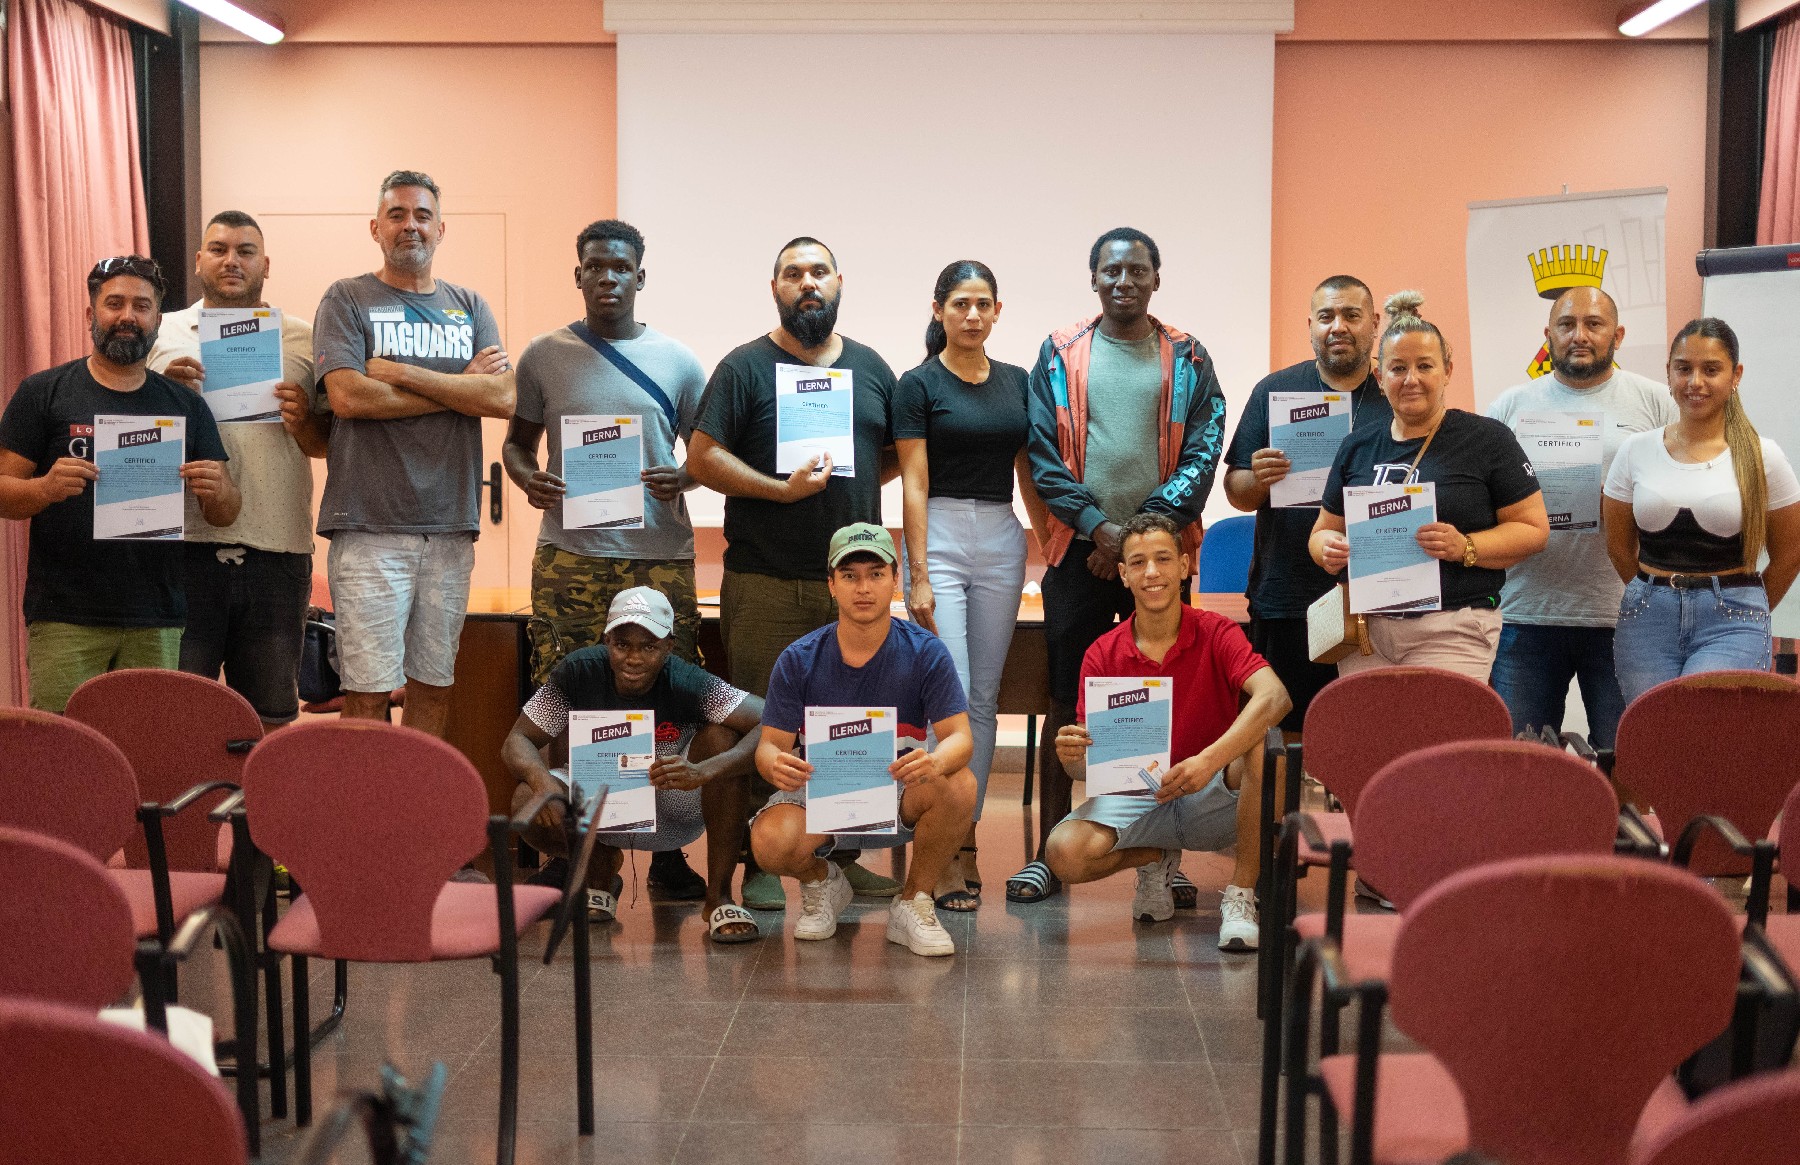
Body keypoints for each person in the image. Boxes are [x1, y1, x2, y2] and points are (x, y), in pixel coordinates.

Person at [1011, 226, 1228, 906]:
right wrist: (1099, 530)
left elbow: (1205, 447)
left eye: (1137, 271)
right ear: (1094, 279)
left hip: (1157, 553)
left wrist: (1135, 540)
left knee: (1169, 696)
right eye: (1112, 271)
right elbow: (1041, 453)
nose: (1124, 281)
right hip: (1080, 549)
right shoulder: (1058, 351)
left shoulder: (1189, 356)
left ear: (1156, 279)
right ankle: (1049, 853)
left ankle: (1165, 854)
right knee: (1064, 697)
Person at [687, 237, 902, 907]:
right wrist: (781, 491)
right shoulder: (743, 367)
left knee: (851, 723)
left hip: (852, 588)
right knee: (767, 721)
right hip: (766, 581)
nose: (807, 282)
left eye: (818, 271)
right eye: (792, 273)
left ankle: (838, 853)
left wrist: (846, 485)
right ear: (774, 287)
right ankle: (760, 859)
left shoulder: (872, 367)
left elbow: (891, 452)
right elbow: (702, 457)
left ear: (839, 281)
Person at [504, 218, 712, 901]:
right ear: (579, 274)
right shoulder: (544, 356)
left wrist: (685, 477)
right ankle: (588, 854)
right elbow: (515, 445)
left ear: (640, 277)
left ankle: (667, 850)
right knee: (571, 696)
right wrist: (527, 478)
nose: (607, 278)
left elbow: (707, 455)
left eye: (621, 267)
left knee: (667, 699)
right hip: (571, 555)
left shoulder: (679, 361)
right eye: (595, 266)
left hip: (659, 556)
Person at [312, 170, 514, 738]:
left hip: (449, 527)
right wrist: (459, 388)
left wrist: (402, 374)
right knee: (367, 692)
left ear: (440, 229)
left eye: (422, 215)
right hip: (368, 526)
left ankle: (420, 798)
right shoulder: (347, 298)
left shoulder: (469, 306)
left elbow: (502, 397)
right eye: (397, 215)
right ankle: (364, 800)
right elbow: (349, 397)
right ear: (375, 228)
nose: (410, 226)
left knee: (434, 687)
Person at [0, 256, 238, 712]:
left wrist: (219, 490)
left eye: (141, 306)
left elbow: (225, 513)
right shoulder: (43, 392)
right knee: (64, 745)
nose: (128, 316)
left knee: (145, 745)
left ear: (157, 320)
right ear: (91, 314)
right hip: (65, 616)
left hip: (157, 618)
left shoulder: (185, 405)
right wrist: (45, 489)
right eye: (114, 304)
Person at [1043, 513, 1290, 948]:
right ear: (1123, 574)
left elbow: (1276, 697)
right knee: (1063, 853)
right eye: (1138, 563)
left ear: (1184, 565)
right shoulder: (1102, 652)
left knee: (1267, 750)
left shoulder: (1218, 632)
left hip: (1210, 793)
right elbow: (1088, 771)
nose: (1152, 572)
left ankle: (1240, 894)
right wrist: (1074, 760)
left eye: (1163, 559)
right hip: (1139, 797)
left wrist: (1207, 762)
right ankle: (1155, 858)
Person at [894, 259, 1047, 911]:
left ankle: (965, 837)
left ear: (998, 311)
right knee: (950, 696)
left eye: (984, 303)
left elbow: (1029, 472)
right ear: (939, 310)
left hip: (1001, 535)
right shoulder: (918, 384)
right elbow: (914, 482)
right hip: (940, 533)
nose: (973, 314)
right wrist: (918, 573)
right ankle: (941, 846)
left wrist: (1050, 543)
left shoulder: (1017, 382)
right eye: (960, 303)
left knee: (984, 697)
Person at [748, 524, 978, 955]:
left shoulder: (926, 651)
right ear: (831, 584)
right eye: (850, 576)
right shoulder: (798, 658)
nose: (864, 588)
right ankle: (823, 883)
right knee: (768, 841)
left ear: (895, 579)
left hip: (898, 787)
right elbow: (769, 745)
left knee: (960, 782)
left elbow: (960, 739)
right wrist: (773, 764)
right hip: (820, 790)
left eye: (876, 574)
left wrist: (935, 761)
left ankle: (913, 901)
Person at [501, 587, 766, 942]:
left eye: (649, 647)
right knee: (527, 800)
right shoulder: (578, 671)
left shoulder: (688, 680)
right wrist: (541, 780)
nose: (634, 659)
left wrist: (707, 769)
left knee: (723, 739)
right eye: (622, 644)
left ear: (669, 647)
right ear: (606, 640)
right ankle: (600, 872)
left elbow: (770, 721)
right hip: (600, 804)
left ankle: (719, 898)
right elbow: (517, 740)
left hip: (674, 800)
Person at [147, 210, 327, 731]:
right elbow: (123, 427)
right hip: (182, 548)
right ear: (198, 260)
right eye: (219, 249)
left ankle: (259, 793)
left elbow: (324, 446)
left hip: (278, 550)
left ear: (265, 264)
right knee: (178, 719)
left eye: (246, 251)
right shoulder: (160, 333)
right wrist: (164, 394)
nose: (232, 261)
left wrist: (303, 421)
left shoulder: (303, 337)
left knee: (269, 720)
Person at [1308, 291, 1549, 681]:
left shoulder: (1487, 439)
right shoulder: (1357, 446)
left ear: (1447, 371)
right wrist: (1328, 549)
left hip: (1453, 628)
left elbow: (1534, 530)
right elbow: (1322, 532)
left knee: (1439, 723)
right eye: (1398, 368)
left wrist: (1465, 546)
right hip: (1366, 632)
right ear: (1380, 377)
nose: (1411, 379)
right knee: (1369, 725)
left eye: (1425, 366)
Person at [1485, 286, 1676, 748]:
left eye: (1594, 324)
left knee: (1624, 761)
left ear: (1618, 335)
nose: (1579, 336)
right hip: (1525, 614)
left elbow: (1682, 494)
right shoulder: (1509, 407)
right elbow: (1483, 499)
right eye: (1567, 325)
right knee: (1520, 764)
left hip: (1624, 616)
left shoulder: (1657, 403)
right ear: (1548, 334)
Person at [1224, 275, 1390, 737]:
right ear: (1310, 326)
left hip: (1378, 600)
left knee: (1366, 737)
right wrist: (1258, 478)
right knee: (1286, 738)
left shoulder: (1395, 392)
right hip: (1287, 597)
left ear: (1374, 323)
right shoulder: (1275, 391)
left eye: (1352, 315)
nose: (1338, 326)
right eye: (1326, 316)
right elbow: (1236, 492)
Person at [1603, 318, 1800, 702]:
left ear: (1735, 375)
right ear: (1669, 372)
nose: (1695, 382)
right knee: (1653, 729)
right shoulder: (1634, 451)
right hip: (1647, 619)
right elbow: (1619, 548)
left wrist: (1749, 609)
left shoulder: (1765, 456)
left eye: (1711, 370)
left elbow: (1790, 555)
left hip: (1733, 622)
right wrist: (1654, 596)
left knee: (1705, 727)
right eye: (1684, 368)